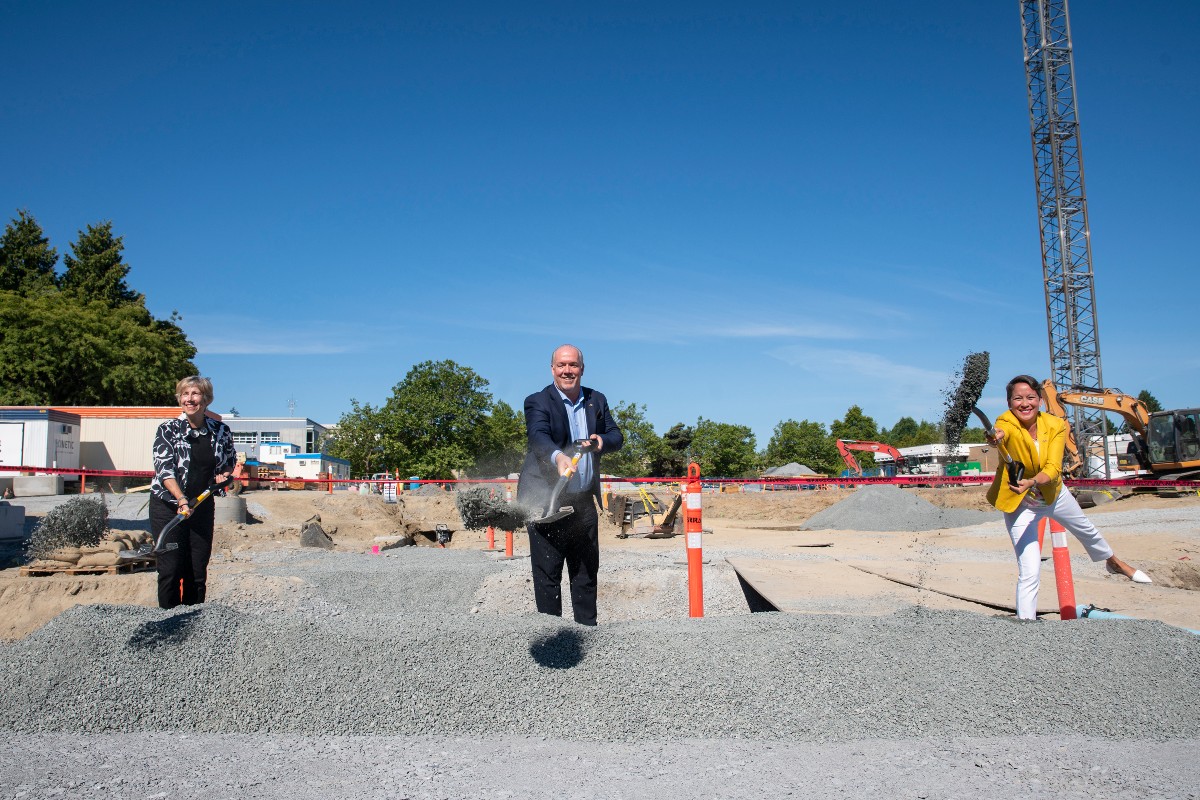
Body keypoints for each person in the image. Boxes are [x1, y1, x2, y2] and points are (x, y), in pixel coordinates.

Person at [986, 374, 1151, 620]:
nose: (1025, 403)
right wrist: (995, 436)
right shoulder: (1006, 421)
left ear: (1040, 401)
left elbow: (1053, 468)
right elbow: (1002, 431)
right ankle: (1026, 624)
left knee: (1087, 530)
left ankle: (1114, 563)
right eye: (1017, 399)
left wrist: (1032, 481)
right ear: (1009, 403)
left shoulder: (1055, 425)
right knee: (1029, 569)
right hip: (1022, 504)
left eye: (1031, 397)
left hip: (1053, 493)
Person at [517, 344, 623, 626]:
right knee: (548, 577)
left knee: (586, 575)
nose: (567, 370)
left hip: (583, 503)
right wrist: (558, 456)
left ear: (582, 369)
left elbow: (615, 435)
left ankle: (587, 636)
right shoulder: (538, 401)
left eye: (573, 365)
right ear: (552, 369)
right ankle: (554, 641)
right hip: (547, 504)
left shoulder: (596, 400)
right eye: (562, 365)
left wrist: (601, 441)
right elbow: (538, 436)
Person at [150, 376, 236, 609]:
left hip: (201, 505)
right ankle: (168, 622)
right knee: (170, 567)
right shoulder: (168, 430)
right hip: (169, 507)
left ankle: (194, 620)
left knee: (196, 568)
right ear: (180, 399)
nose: (190, 399)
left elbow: (229, 462)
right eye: (185, 394)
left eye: (195, 394)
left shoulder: (221, 431)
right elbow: (165, 470)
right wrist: (181, 500)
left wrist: (224, 476)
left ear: (206, 399)